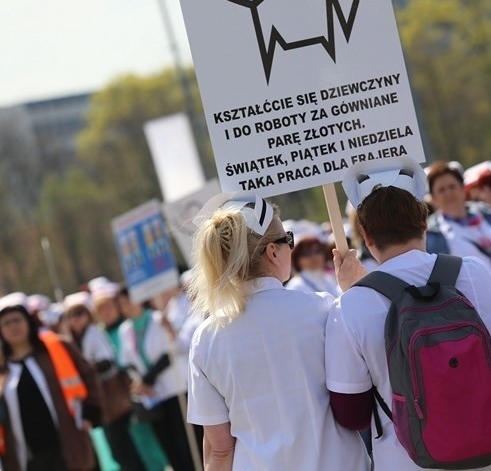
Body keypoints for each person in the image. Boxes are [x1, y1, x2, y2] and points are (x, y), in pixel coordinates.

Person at [325, 156, 491, 471]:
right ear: (423, 221)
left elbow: (352, 412)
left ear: (366, 236)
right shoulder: (472, 272)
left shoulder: (352, 304)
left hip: (415, 459)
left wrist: (355, 291)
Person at [187, 192, 368, 470]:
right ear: (273, 252)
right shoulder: (321, 308)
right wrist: (356, 294)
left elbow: (220, 451)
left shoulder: (206, 340)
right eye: (288, 240)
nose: (291, 248)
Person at [0, 294, 102, 471]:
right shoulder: (3, 370)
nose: (13, 326)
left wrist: (91, 411)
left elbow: (88, 374)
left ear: (29, 322)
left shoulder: (56, 348)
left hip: (70, 446)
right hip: (31, 460)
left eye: (17, 320)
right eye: (6, 323)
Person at [62, 292, 146, 471]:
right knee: (119, 449)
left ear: (88, 315)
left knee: (122, 448)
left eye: (79, 313)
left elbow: (107, 362)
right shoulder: (80, 337)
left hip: (113, 397)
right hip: (106, 402)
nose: (75, 319)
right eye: (71, 315)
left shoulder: (92, 334)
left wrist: (84, 370)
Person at [425, 161, 491, 310]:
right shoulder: (434, 235)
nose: (449, 193)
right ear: (433, 198)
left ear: (463, 189)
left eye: (452, 186)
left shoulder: (487, 215)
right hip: (480, 310)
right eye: (441, 190)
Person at [117, 288, 195, 471]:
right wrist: (138, 383)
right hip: (153, 398)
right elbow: (126, 362)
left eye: (128, 301)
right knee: (170, 448)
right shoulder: (125, 330)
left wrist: (146, 380)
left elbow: (169, 353)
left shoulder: (158, 319)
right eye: (121, 304)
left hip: (175, 390)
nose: (126, 307)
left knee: (188, 445)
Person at [285, 226, 341, 297]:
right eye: (306, 253)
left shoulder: (329, 280)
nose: (314, 256)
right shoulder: (294, 287)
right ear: (297, 259)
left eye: (318, 251)